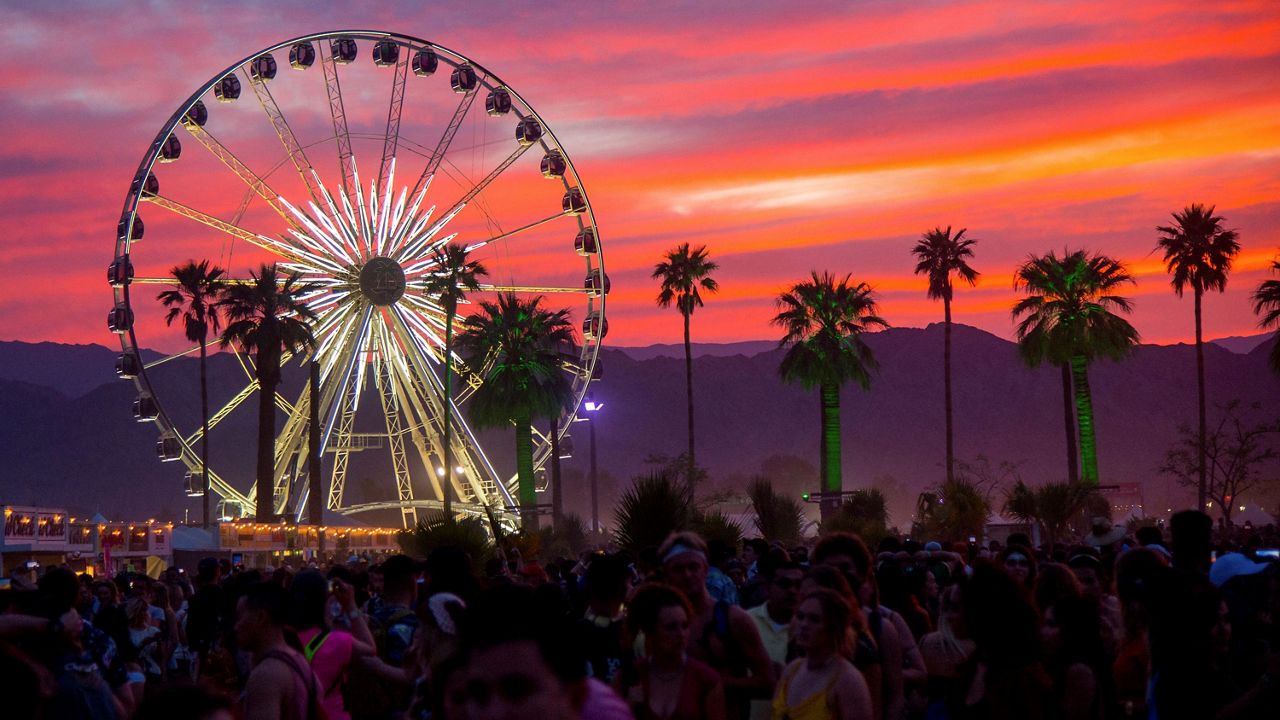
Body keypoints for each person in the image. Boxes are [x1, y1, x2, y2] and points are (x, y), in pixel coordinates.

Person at [660, 531, 775, 719]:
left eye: (693, 567)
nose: (687, 575)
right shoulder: (656, 622)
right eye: (679, 569)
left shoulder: (733, 619)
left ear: (705, 569)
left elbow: (767, 683)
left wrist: (710, 682)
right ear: (666, 574)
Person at [813, 532, 919, 720]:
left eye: (845, 568)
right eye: (830, 569)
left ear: (862, 576)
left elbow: (896, 698)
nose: (838, 576)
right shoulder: (805, 624)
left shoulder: (881, 627)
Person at [617, 583, 726, 720]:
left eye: (685, 626)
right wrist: (628, 707)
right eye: (671, 627)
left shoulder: (706, 679)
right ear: (651, 632)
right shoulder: (628, 678)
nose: (681, 634)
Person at [772, 588, 874, 720]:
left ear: (834, 627)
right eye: (800, 616)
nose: (803, 625)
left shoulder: (847, 680)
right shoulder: (791, 670)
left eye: (814, 619)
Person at [289, 570, 377, 720]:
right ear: (324, 600)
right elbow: (370, 649)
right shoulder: (337, 642)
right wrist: (350, 605)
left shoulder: (284, 639)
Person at [235, 580, 322, 720]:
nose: (236, 626)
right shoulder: (299, 660)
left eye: (240, 617)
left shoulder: (266, 675)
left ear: (261, 617)